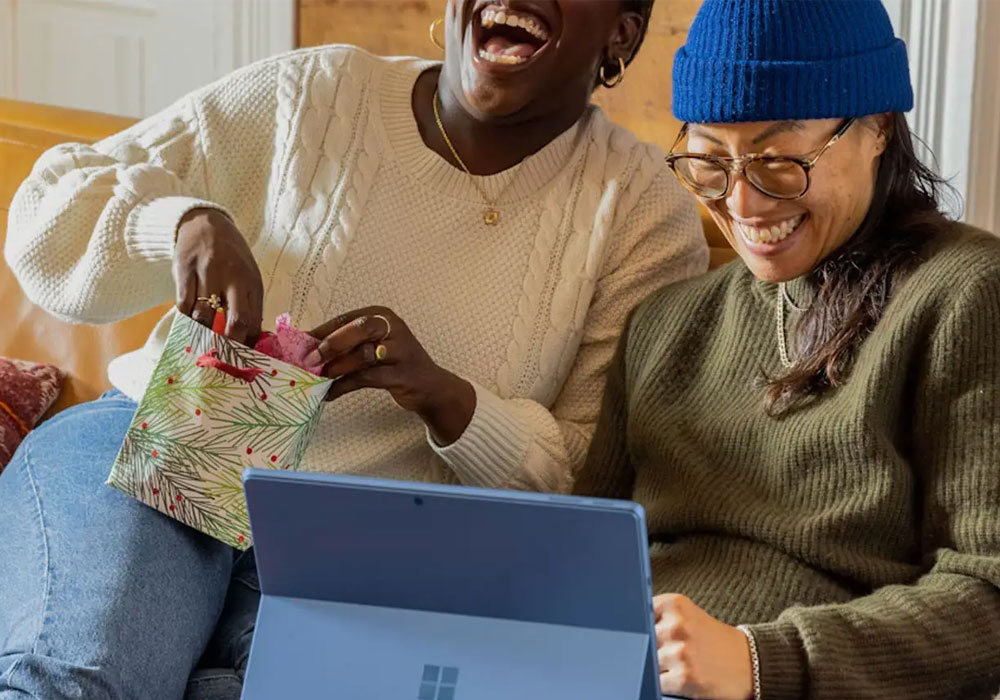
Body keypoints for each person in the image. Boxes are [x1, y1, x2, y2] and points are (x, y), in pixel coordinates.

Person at [0, 1, 709, 698]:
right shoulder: (318, 92)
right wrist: (185, 224)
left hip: (362, 558)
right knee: (80, 674)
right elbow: (47, 206)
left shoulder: (642, 212)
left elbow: (594, 484)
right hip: (159, 451)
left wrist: (445, 398)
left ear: (622, 34)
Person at [576, 1, 1000, 698]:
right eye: (711, 162)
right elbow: (578, 559)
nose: (742, 203)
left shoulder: (964, 296)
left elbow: (988, 597)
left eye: (777, 161)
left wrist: (761, 661)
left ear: (878, 128)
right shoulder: (663, 325)